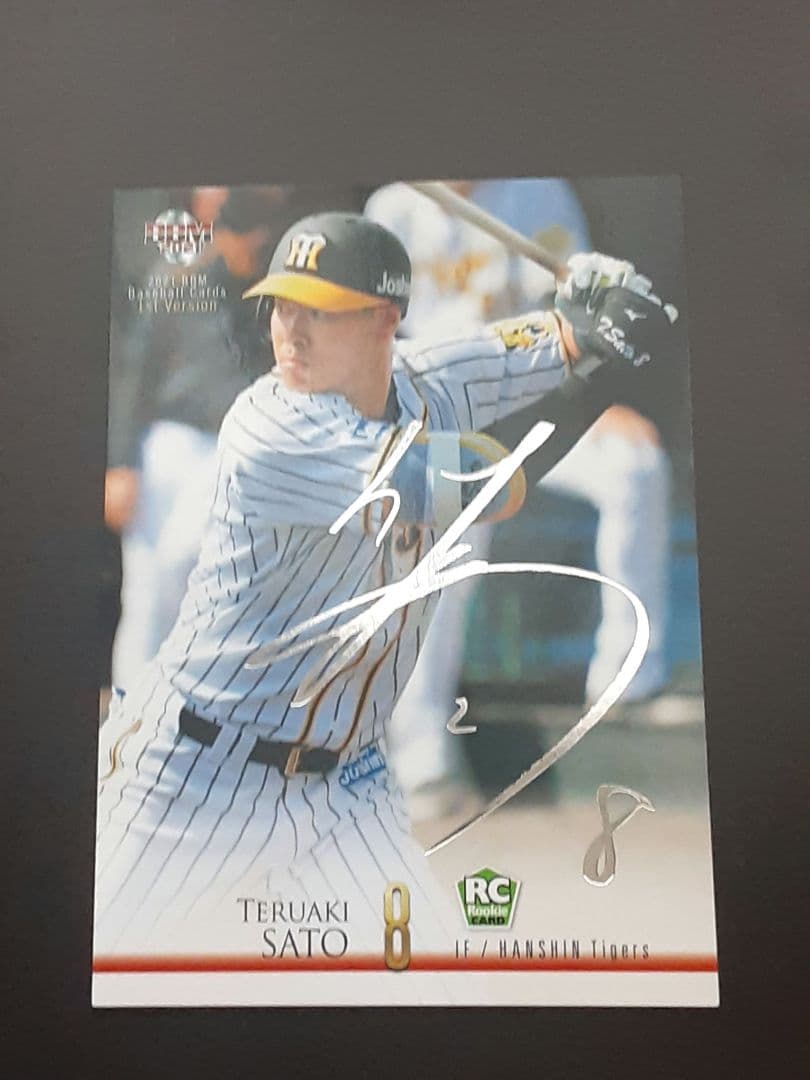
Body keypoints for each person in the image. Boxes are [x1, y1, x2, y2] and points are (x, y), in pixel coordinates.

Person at [93, 211, 677, 961]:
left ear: (384, 319)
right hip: (197, 773)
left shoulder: (429, 373)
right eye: (282, 305)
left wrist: (593, 307)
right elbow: (483, 485)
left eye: (320, 311)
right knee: (103, 980)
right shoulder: (272, 430)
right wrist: (606, 371)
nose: (291, 332)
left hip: (344, 787)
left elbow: (549, 340)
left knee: (432, 990)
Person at [366, 180, 678, 819]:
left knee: (635, 466)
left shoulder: (540, 196)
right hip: (442, 417)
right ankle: (421, 756)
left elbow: (580, 314)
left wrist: (596, 397)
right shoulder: (391, 211)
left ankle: (626, 686)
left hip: (536, 407)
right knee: (443, 534)